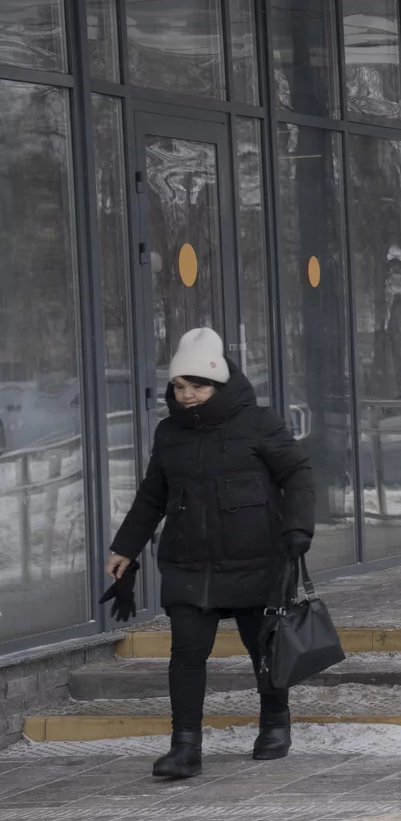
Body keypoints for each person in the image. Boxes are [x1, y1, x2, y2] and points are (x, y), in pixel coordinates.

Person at [106, 328, 315, 780]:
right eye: (179, 387)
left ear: (219, 382)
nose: (187, 396)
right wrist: (125, 547)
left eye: (196, 386)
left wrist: (298, 529)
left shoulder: (260, 423)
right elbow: (152, 495)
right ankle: (185, 747)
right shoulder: (169, 433)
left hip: (255, 557)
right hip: (189, 561)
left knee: (262, 648)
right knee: (186, 653)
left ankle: (275, 722)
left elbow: (297, 473)